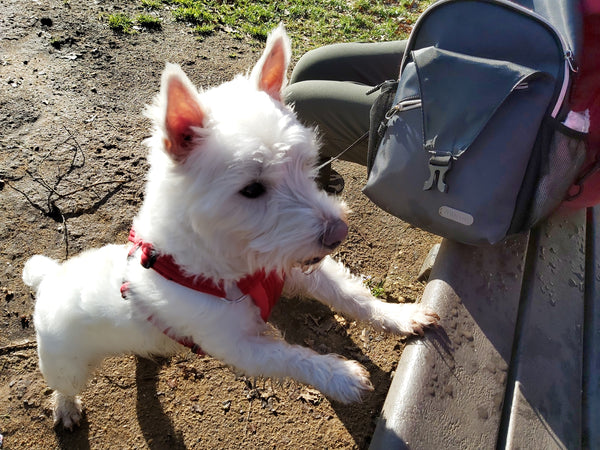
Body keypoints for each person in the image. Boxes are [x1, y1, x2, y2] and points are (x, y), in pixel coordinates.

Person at [284, 40, 407, 193]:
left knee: (297, 108)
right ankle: (316, 191)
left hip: (439, 120)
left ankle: (306, 211)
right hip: (440, 56)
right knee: (312, 69)